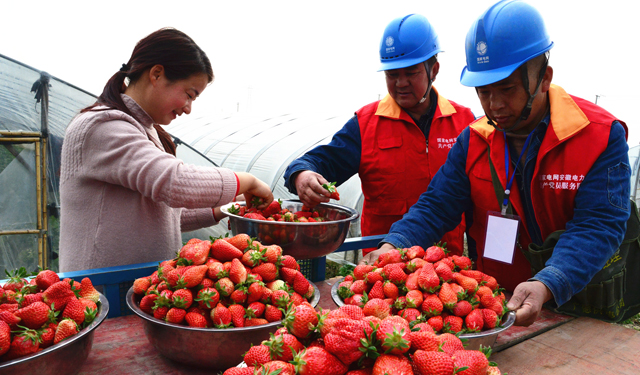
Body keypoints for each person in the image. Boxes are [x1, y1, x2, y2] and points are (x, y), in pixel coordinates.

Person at [363, 0, 630, 326]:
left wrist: (549, 282)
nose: (494, 105)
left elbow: (599, 224)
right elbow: (436, 206)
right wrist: (396, 243)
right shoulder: (474, 140)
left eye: (506, 89)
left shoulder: (598, 136)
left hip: (578, 306)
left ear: (543, 78)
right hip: (498, 307)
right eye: (483, 92)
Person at [59, 28, 273, 272]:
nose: (189, 108)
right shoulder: (102, 127)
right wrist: (248, 181)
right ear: (157, 74)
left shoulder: (145, 129)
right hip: (100, 291)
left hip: (139, 286)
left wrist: (226, 208)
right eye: (189, 94)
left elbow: (168, 216)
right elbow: (174, 182)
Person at [283, 14, 475, 256]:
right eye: (392, 75)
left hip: (445, 272)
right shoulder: (365, 125)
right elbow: (321, 161)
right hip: (381, 273)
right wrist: (302, 174)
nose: (401, 83)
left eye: (411, 72)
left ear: (433, 70)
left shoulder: (464, 122)